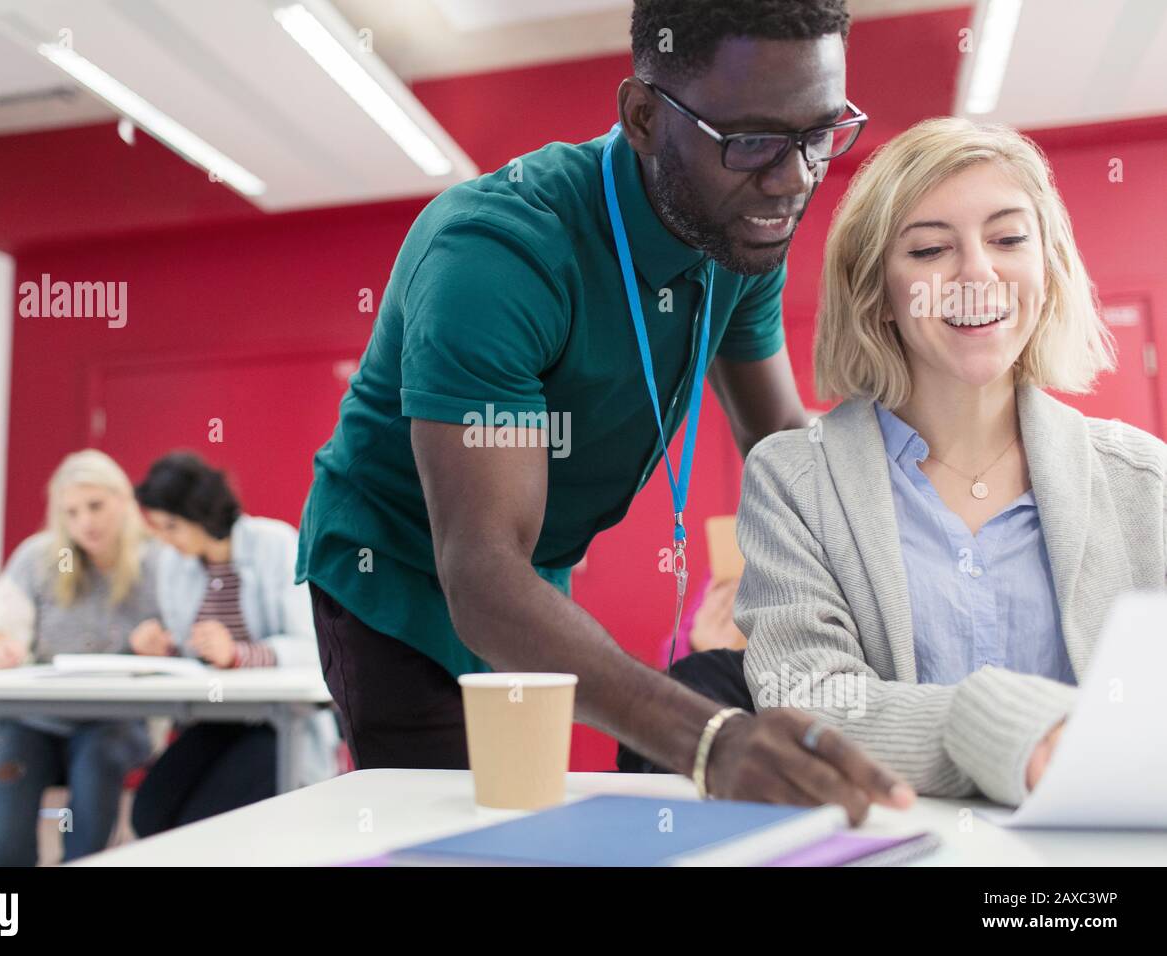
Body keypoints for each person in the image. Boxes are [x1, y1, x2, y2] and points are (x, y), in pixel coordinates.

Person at [297, 0, 913, 821]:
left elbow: (779, 445)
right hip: (400, 571)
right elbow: (480, 573)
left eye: (819, 135)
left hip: (527, 559)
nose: (796, 178)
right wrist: (710, 738)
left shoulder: (738, 224)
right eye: (754, 141)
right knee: (458, 824)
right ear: (646, 116)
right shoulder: (498, 254)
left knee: (528, 808)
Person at [737, 116, 1166, 807]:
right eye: (931, 249)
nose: (976, 273)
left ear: (1048, 268)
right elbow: (808, 701)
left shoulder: (1146, 481)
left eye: (1008, 239)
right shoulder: (794, 480)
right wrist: (1015, 735)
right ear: (877, 290)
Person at [129, 453, 337, 835]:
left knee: (201, 824)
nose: (163, 539)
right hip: (216, 719)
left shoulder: (275, 544)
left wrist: (238, 655)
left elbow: (311, 648)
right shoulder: (174, 562)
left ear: (199, 514)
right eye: (157, 528)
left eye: (171, 526)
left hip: (275, 723)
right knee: (148, 814)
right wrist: (165, 647)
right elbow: (198, 651)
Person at [0, 450, 160, 865]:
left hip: (114, 721)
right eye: (71, 512)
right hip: (31, 719)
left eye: (95, 506)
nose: (85, 523)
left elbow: (185, 635)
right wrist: (4, 642)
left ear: (123, 499)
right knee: (8, 787)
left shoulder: (159, 560)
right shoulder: (37, 558)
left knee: (95, 772)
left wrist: (162, 643)